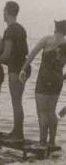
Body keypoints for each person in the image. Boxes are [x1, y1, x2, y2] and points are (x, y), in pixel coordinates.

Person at [19, 20, 66, 149]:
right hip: (57, 79)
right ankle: (52, 142)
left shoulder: (47, 39)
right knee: (51, 111)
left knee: (42, 112)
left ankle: (42, 143)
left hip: (44, 79)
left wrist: (23, 69)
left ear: (56, 28)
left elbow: (32, 55)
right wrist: (62, 77)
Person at [0, 1, 29, 142]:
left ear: (7, 12)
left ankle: (18, 135)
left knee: (16, 101)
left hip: (16, 69)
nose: (3, 13)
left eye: (4, 10)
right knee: (17, 101)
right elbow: (19, 52)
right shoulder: (20, 28)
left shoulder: (10, 30)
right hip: (23, 67)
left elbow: (7, 54)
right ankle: (16, 131)